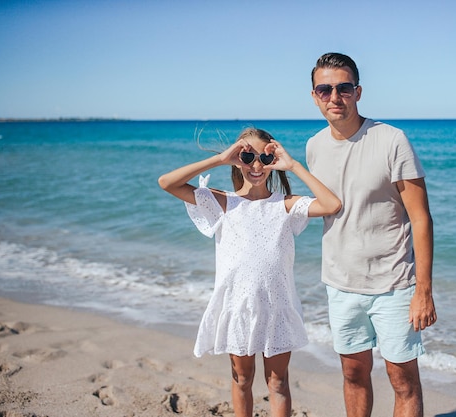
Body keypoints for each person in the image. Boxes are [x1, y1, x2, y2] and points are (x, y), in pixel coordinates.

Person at [158, 127, 341, 417]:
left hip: (278, 307)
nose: (256, 165)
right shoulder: (222, 202)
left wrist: (292, 165)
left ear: (274, 162)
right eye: (247, 156)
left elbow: (333, 204)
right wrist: (219, 159)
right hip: (238, 308)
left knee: (278, 382)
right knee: (242, 379)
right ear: (237, 159)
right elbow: (167, 182)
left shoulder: (286, 204)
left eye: (265, 159)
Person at [306, 52, 437, 417]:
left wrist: (423, 290)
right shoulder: (313, 147)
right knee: (352, 373)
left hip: (394, 284)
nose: (335, 96)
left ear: (358, 91)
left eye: (344, 87)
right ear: (314, 96)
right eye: (325, 89)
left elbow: (421, 218)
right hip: (340, 283)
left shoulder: (392, 140)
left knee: (402, 379)